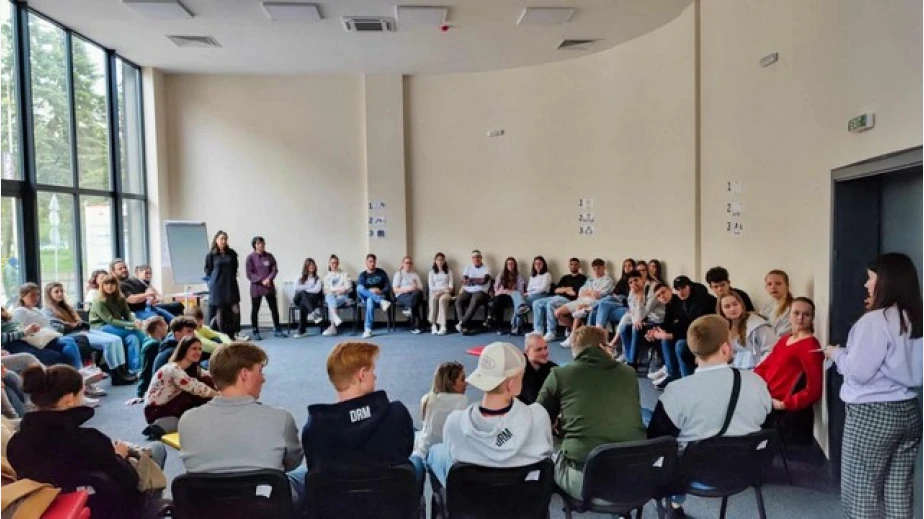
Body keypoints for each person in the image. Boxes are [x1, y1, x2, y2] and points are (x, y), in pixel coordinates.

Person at [825, 253, 923, 519]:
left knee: (862, 492)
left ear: (886, 281)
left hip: (871, 415)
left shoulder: (875, 320)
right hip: (909, 411)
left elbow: (858, 373)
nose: (866, 285)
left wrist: (836, 353)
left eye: (871, 278)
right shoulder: (915, 317)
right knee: (898, 491)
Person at [647, 315, 772, 518]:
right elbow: (766, 422)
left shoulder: (676, 391)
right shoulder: (756, 382)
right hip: (745, 468)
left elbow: (657, 443)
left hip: (692, 473)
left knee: (650, 424)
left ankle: (674, 505)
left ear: (694, 352)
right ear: (725, 348)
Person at [7, 364, 167, 517]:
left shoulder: (16, 444)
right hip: (106, 510)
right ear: (69, 399)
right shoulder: (90, 440)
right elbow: (128, 481)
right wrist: (119, 456)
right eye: (82, 393)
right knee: (156, 450)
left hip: (44, 510)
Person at [179, 341, 307, 506]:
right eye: (260, 371)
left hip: (208, 508)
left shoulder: (187, 421)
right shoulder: (280, 418)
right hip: (265, 507)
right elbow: (293, 462)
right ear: (244, 374)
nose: (263, 379)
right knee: (307, 474)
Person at [537, 326, 645, 501]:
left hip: (586, 481)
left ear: (575, 349)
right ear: (603, 346)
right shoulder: (629, 373)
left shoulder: (560, 375)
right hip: (635, 477)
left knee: (548, 445)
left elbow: (537, 419)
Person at [427, 342, 552, 486]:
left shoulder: (454, 423)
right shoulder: (539, 416)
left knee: (435, 452)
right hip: (526, 497)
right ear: (511, 384)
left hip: (473, 497)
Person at [301, 341, 420, 484]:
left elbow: (313, 464)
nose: (374, 377)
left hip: (336, 497)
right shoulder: (396, 414)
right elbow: (405, 451)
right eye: (372, 371)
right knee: (417, 463)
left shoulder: (314, 427)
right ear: (362, 375)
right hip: (391, 495)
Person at [42, 282, 132, 384]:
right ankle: (116, 375)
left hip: (82, 330)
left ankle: (122, 371)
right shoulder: (47, 310)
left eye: (61, 291)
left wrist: (78, 325)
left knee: (117, 339)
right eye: (56, 292)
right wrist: (73, 326)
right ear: (49, 294)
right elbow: (56, 329)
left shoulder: (66, 307)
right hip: (72, 335)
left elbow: (78, 322)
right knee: (109, 343)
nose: (60, 294)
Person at [755, 297, 823, 412]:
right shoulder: (784, 340)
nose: (800, 318)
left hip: (787, 411)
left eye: (806, 314)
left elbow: (814, 388)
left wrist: (786, 404)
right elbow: (765, 366)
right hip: (768, 402)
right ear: (789, 315)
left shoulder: (810, 346)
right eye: (796, 313)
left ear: (812, 318)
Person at [646, 277, 716, 386]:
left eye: (683, 288)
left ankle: (685, 382)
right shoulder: (674, 303)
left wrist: (669, 335)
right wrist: (655, 331)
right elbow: (669, 324)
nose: (681, 292)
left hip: (703, 336)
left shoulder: (694, 301)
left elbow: (690, 327)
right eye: (678, 289)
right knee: (665, 339)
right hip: (690, 334)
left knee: (680, 344)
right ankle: (671, 372)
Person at [143, 336, 217, 436]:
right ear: (184, 349)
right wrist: (220, 396)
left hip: (169, 405)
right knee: (194, 394)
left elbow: (209, 377)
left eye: (200, 349)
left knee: (206, 381)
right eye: (194, 348)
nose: (198, 352)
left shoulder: (191, 368)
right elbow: (196, 388)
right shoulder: (173, 369)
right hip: (155, 411)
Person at [11, 283, 86, 371]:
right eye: (32, 295)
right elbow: (18, 330)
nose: (36, 298)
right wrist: (30, 330)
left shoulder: (36, 310)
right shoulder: (20, 311)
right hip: (38, 341)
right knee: (68, 341)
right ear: (22, 296)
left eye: (37, 295)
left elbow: (48, 326)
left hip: (48, 338)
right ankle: (79, 370)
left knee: (74, 340)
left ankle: (75, 370)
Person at [89, 274, 146, 374]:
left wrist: (134, 321)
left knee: (133, 338)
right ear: (102, 286)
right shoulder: (98, 300)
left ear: (116, 285)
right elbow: (110, 320)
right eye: (106, 284)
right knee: (135, 332)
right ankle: (151, 346)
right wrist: (132, 325)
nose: (109, 286)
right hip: (100, 328)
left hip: (116, 326)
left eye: (112, 284)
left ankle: (135, 370)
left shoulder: (120, 298)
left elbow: (127, 314)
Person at [412, 361, 468, 460]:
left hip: (423, 449)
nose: (466, 383)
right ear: (451, 383)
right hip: (441, 454)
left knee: (415, 431)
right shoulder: (462, 401)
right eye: (462, 379)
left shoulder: (426, 399)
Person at [554, 259, 614, 348]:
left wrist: (588, 292)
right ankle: (576, 330)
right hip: (581, 300)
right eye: (594, 269)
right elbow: (580, 292)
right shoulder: (590, 279)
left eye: (599, 268)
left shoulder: (608, 280)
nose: (597, 271)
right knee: (558, 312)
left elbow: (599, 295)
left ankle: (572, 337)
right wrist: (591, 292)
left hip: (594, 302)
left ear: (604, 268)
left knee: (579, 308)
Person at [617, 271, 666, 367]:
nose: (633, 284)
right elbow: (632, 312)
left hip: (657, 320)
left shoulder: (653, 289)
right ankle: (628, 358)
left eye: (636, 280)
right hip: (645, 319)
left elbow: (645, 312)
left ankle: (632, 363)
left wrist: (639, 298)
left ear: (642, 279)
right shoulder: (632, 291)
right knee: (623, 328)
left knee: (636, 328)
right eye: (630, 282)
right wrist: (636, 321)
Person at [533, 258, 587, 341]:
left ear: (579, 266)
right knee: (536, 303)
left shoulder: (582, 278)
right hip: (556, 297)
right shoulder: (565, 277)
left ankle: (551, 332)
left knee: (551, 304)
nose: (573, 266)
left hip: (569, 300)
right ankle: (538, 330)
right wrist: (568, 289)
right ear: (569, 266)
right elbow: (556, 290)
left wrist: (563, 289)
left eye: (575, 264)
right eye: (571, 264)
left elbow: (574, 294)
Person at [719, 292, 775, 369]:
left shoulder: (757, 324)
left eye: (735, 304)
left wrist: (759, 369)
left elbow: (771, 349)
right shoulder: (723, 328)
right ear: (722, 311)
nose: (732, 309)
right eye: (727, 306)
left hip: (759, 369)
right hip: (736, 370)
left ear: (741, 305)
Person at [245, 236, 286, 340]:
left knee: (274, 308)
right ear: (254, 245)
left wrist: (269, 279)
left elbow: (274, 269)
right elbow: (249, 274)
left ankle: (277, 329)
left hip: (269, 287)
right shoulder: (250, 258)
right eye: (258, 243)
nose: (261, 245)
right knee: (255, 309)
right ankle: (255, 330)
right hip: (256, 288)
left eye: (262, 243)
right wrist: (261, 280)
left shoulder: (269, 256)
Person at [111, 259, 175, 323]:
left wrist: (153, 298)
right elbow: (131, 299)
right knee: (158, 321)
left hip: (150, 307)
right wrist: (147, 295)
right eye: (120, 269)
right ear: (113, 272)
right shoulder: (118, 285)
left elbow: (151, 293)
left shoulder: (134, 280)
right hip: (136, 312)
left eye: (125, 267)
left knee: (175, 320)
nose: (124, 270)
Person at [204, 230, 242, 339]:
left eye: (225, 239)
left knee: (235, 310)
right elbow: (208, 270)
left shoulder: (232, 253)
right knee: (220, 310)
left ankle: (234, 333)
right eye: (221, 239)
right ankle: (223, 336)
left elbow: (235, 267)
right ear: (216, 240)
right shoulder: (211, 255)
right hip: (217, 286)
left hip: (230, 285)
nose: (224, 241)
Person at [149, 317, 201, 381]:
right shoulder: (173, 353)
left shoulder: (176, 347)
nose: (193, 335)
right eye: (189, 331)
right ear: (177, 335)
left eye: (193, 331)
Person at [455, 250, 492, 335]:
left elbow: (484, 281)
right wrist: (477, 280)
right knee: (458, 300)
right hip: (468, 290)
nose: (476, 259)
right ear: (472, 259)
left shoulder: (487, 268)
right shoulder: (468, 268)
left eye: (478, 257)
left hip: (481, 291)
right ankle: (464, 326)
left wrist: (471, 279)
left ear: (481, 258)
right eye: (474, 257)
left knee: (474, 300)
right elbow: (464, 281)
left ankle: (462, 324)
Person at [356, 254, 393, 338]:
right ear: (366, 262)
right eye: (370, 261)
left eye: (373, 262)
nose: (372, 263)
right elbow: (360, 289)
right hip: (367, 298)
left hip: (379, 295)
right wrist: (370, 291)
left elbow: (388, 286)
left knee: (370, 300)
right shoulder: (363, 275)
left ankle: (368, 329)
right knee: (359, 288)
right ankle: (382, 301)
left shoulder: (381, 272)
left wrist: (380, 291)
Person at [490, 257, 526, 335]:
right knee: (498, 300)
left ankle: (490, 317)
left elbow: (520, 290)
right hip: (501, 295)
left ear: (515, 265)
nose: (510, 265)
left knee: (498, 300)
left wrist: (510, 292)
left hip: (512, 297)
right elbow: (496, 287)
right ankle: (499, 327)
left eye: (512, 263)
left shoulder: (519, 275)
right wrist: (501, 292)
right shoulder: (501, 274)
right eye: (508, 264)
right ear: (506, 265)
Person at [519, 333, 557, 405]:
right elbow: (534, 400)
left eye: (545, 348)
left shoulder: (552, 368)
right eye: (538, 350)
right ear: (527, 352)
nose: (544, 353)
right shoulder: (520, 372)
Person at [321, 254, 353, 337]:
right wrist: (336, 290)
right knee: (330, 296)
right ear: (329, 264)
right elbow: (325, 290)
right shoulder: (326, 277)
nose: (334, 265)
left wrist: (341, 290)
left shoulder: (344, 274)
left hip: (342, 297)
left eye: (336, 263)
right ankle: (334, 320)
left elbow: (349, 287)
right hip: (331, 297)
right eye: (332, 263)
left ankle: (333, 325)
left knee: (330, 300)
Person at [292, 257, 324, 338]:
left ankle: (302, 331)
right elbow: (296, 288)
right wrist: (309, 287)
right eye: (309, 265)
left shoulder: (317, 278)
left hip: (310, 300)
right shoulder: (300, 276)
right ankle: (313, 313)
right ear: (306, 266)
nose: (312, 266)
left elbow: (317, 290)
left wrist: (304, 288)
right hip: (298, 299)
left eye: (313, 265)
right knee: (303, 293)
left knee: (303, 304)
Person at [393, 256, 425, 334]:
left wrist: (415, 287)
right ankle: (416, 326)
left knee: (418, 294)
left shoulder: (415, 274)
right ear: (403, 264)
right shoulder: (399, 274)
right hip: (402, 294)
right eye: (406, 263)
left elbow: (421, 288)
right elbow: (395, 290)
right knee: (415, 303)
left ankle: (408, 308)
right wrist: (408, 289)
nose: (408, 265)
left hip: (414, 294)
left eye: (410, 263)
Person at [519, 256, 552, 334]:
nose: (537, 265)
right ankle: (517, 325)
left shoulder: (547, 275)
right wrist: (530, 292)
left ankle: (538, 329)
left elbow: (542, 288)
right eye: (535, 264)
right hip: (532, 295)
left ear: (543, 264)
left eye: (539, 263)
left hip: (543, 295)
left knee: (528, 303)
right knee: (519, 300)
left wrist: (530, 292)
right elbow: (528, 288)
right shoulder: (532, 276)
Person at [427, 253, 454, 336]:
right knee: (433, 299)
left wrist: (442, 292)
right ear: (435, 261)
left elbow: (451, 287)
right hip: (434, 293)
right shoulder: (431, 273)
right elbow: (431, 287)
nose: (440, 261)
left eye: (442, 260)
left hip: (446, 293)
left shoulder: (449, 272)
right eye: (438, 260)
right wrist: (438, 292)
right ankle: (433, 325)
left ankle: (443, 325)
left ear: (444, 261)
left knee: (442, 300)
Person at [762, 269, 793, 338]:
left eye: (778, 283)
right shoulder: (766, 307)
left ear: (787, 286)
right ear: (766, 287)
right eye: (769, 284)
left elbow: (783, 335)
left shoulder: (792, 308)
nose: (773, 287)